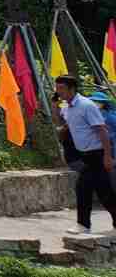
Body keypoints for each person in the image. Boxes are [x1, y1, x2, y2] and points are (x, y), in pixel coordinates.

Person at [58, 76, 116, 232]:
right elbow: (69, 124)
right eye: (57, 88)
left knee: (83, 188)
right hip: (84, 155)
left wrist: (107, 156)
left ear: (72, 89)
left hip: (97, 154)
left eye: (62, 88)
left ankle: (83, 226)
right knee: (105, 192)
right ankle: (85, 225)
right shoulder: (66, 107)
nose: (59, 92)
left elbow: (101, 130)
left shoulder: (86, 105)